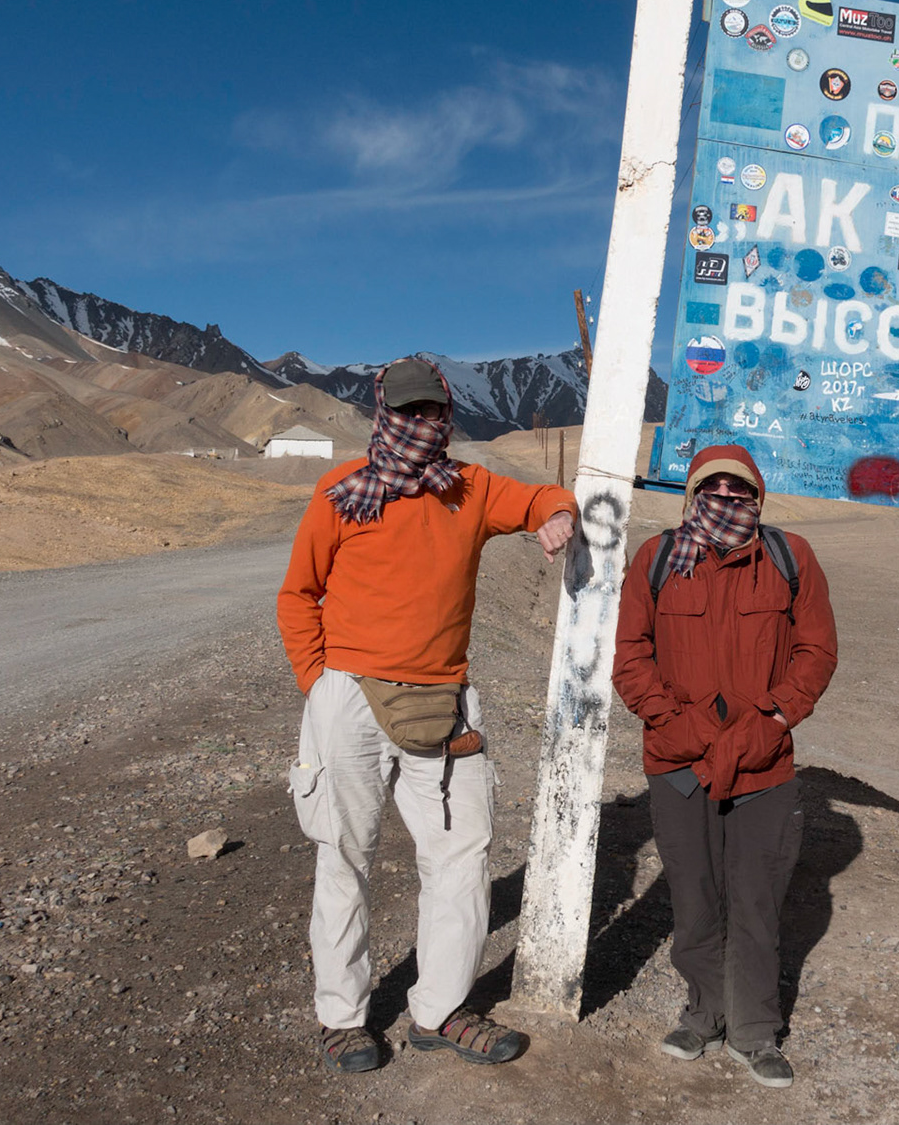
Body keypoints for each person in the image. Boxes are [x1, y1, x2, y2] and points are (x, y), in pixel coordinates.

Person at [276, 357, 576, 1073]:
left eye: (431, 412)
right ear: (385, 413)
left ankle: (439, 1011)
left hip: (443, 698)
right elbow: (297, 595)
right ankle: (342, 1017)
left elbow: (539, 498)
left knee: (462, 857)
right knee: (344, 858)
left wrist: (558, 513)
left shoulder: (470, 489)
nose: (420, 424)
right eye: (406, 412)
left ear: (448, 413)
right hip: (348, 697)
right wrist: (320, 685)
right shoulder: (342, 492)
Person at [611, 444, 838, 1088]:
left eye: (740, 493)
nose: (726, 503)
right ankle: (703, 1011)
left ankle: (755, 1029)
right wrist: (676, 724)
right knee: (693, 891)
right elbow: (631, 653)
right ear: (692, 496)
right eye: (713, 491)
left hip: (763, 762)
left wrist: (770, 723)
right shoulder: (658, 560)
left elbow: (815, 652)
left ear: (757, 499)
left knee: (757, 897)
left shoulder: (789, 559)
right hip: (678, 760)